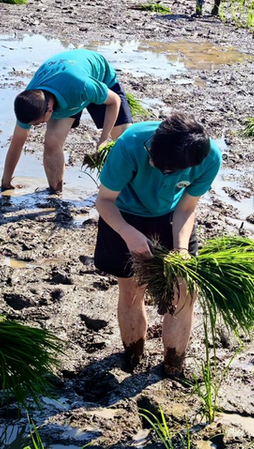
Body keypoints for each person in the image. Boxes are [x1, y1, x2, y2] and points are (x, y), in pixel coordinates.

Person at [94, 113, 222, 377]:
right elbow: (104, 201)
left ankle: (173, 366)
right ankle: (133, 357)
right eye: (152, 158)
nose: (152, 163)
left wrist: (181, 250)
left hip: (172, 214)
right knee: (131, 289)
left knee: (184, 290)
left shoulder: (208, 159)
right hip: (123, 212)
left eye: (164, 169)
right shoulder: (130, 144)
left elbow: (187, 207)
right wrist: (128, 234)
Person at [1, 50, 133, 193]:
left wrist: (104, 138)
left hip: (97, 79)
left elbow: (114, 101)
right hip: (65, 90)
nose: (35, 127)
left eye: (38, 123)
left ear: (49, 110)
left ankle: (123, 192)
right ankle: (55, 192)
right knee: (52, 140)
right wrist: (6, 182)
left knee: (124, 142)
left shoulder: (82, 85)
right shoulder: (29, 99)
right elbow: (17, 142)